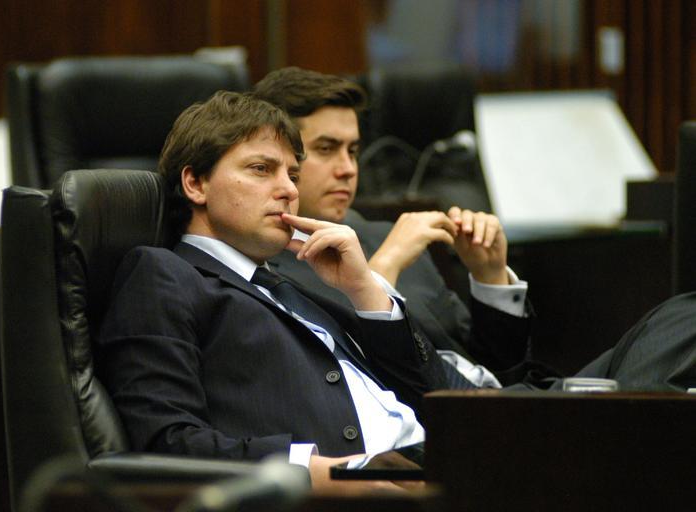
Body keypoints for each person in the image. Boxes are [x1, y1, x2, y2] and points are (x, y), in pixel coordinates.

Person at [97, 91, 468, 492]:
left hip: (442, 458)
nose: (289, 190)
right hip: (362, 489)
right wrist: (320, 475)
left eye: (292, 175)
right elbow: (166, 443)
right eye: (261, 169)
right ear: (196, 183)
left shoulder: (293, 283)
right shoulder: (163, 274)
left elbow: (436, 394)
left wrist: (364, 289)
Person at [253, 67, 537, 387]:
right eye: (326, 149)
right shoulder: (262, 267)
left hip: (500, 404)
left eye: (353, 151)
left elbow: (492, 369)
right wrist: (383, 270)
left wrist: (490, 280)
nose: (348, 169)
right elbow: (350, 386)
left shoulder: (388, 235)